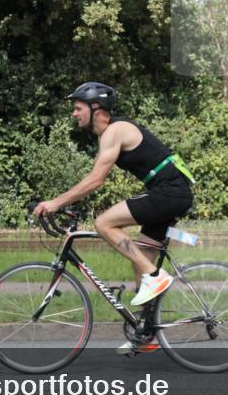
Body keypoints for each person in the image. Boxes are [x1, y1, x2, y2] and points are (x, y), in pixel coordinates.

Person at [33, 82, 195, 353]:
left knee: (104, 223)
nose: (74, 114)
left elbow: (96, 180)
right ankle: (147, 332)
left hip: (170, 192)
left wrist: (56, 203)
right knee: (140, 257)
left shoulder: (114, 130)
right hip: (169, 192)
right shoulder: (109, 133)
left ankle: (157, 276)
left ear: (96, 109)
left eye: (77, 108)